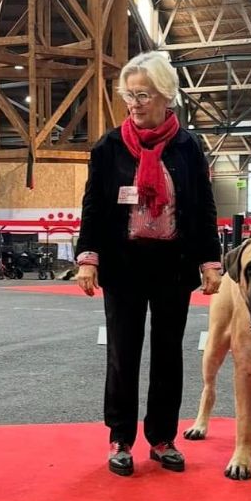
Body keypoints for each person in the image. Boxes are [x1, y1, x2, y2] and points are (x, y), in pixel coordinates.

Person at [75, 50, 222, 477]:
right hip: (124, 265)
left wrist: (210, 261)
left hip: (173, 264)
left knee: (168, 354)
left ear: (165, 96)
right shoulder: (108, 146)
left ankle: (162, 438)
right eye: (129, 95)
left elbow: (203, 207)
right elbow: (94, 208)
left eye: (144, 94)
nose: (135, 103)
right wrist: (88, 259)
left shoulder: (189, 146)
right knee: (122, 353)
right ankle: (120, 438)